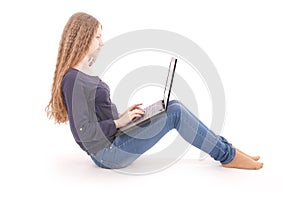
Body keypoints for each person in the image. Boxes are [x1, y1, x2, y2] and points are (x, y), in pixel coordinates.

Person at [46, 12, 263, 170]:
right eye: (97, 37)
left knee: (172, 106)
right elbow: (82, 132)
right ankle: (227, 155)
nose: (102, 42)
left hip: (114, 139)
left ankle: (226, 148)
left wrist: (122, 116)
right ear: (83, 38)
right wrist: (118, 123)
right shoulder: (73, 79)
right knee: (174, 112)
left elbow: (97, 114)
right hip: (107, 154)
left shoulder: (83, 73)